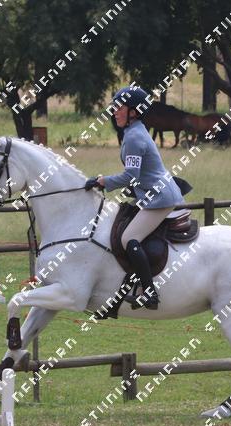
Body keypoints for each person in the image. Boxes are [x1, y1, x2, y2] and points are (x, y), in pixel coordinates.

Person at [84, 86, 184, 310]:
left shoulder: (134, 137)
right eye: (115, 108)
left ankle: (150, 293)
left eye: (120, 108)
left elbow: (131, 175)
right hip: (150, 193)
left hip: (160, 198)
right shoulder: (134, 132)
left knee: (129, 238)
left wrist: (103, 181)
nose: (115, 112)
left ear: (134, 112)